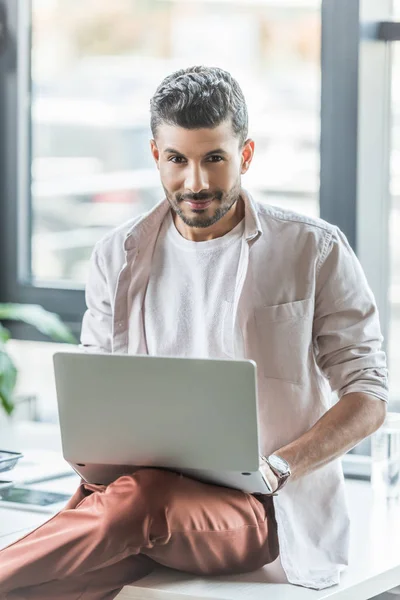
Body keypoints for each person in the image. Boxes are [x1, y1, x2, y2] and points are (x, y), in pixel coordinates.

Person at [0, 66, 388, 600]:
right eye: (178, 160)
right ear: (156, 156)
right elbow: (100, 392)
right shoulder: (116, 254)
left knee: (141, 500)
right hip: (136, 497)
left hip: (262, 509)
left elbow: (368, 396)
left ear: (245, 155)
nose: (197, 183)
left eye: (214, 159)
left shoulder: (313, 250)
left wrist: (278, 468)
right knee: (59, 579)